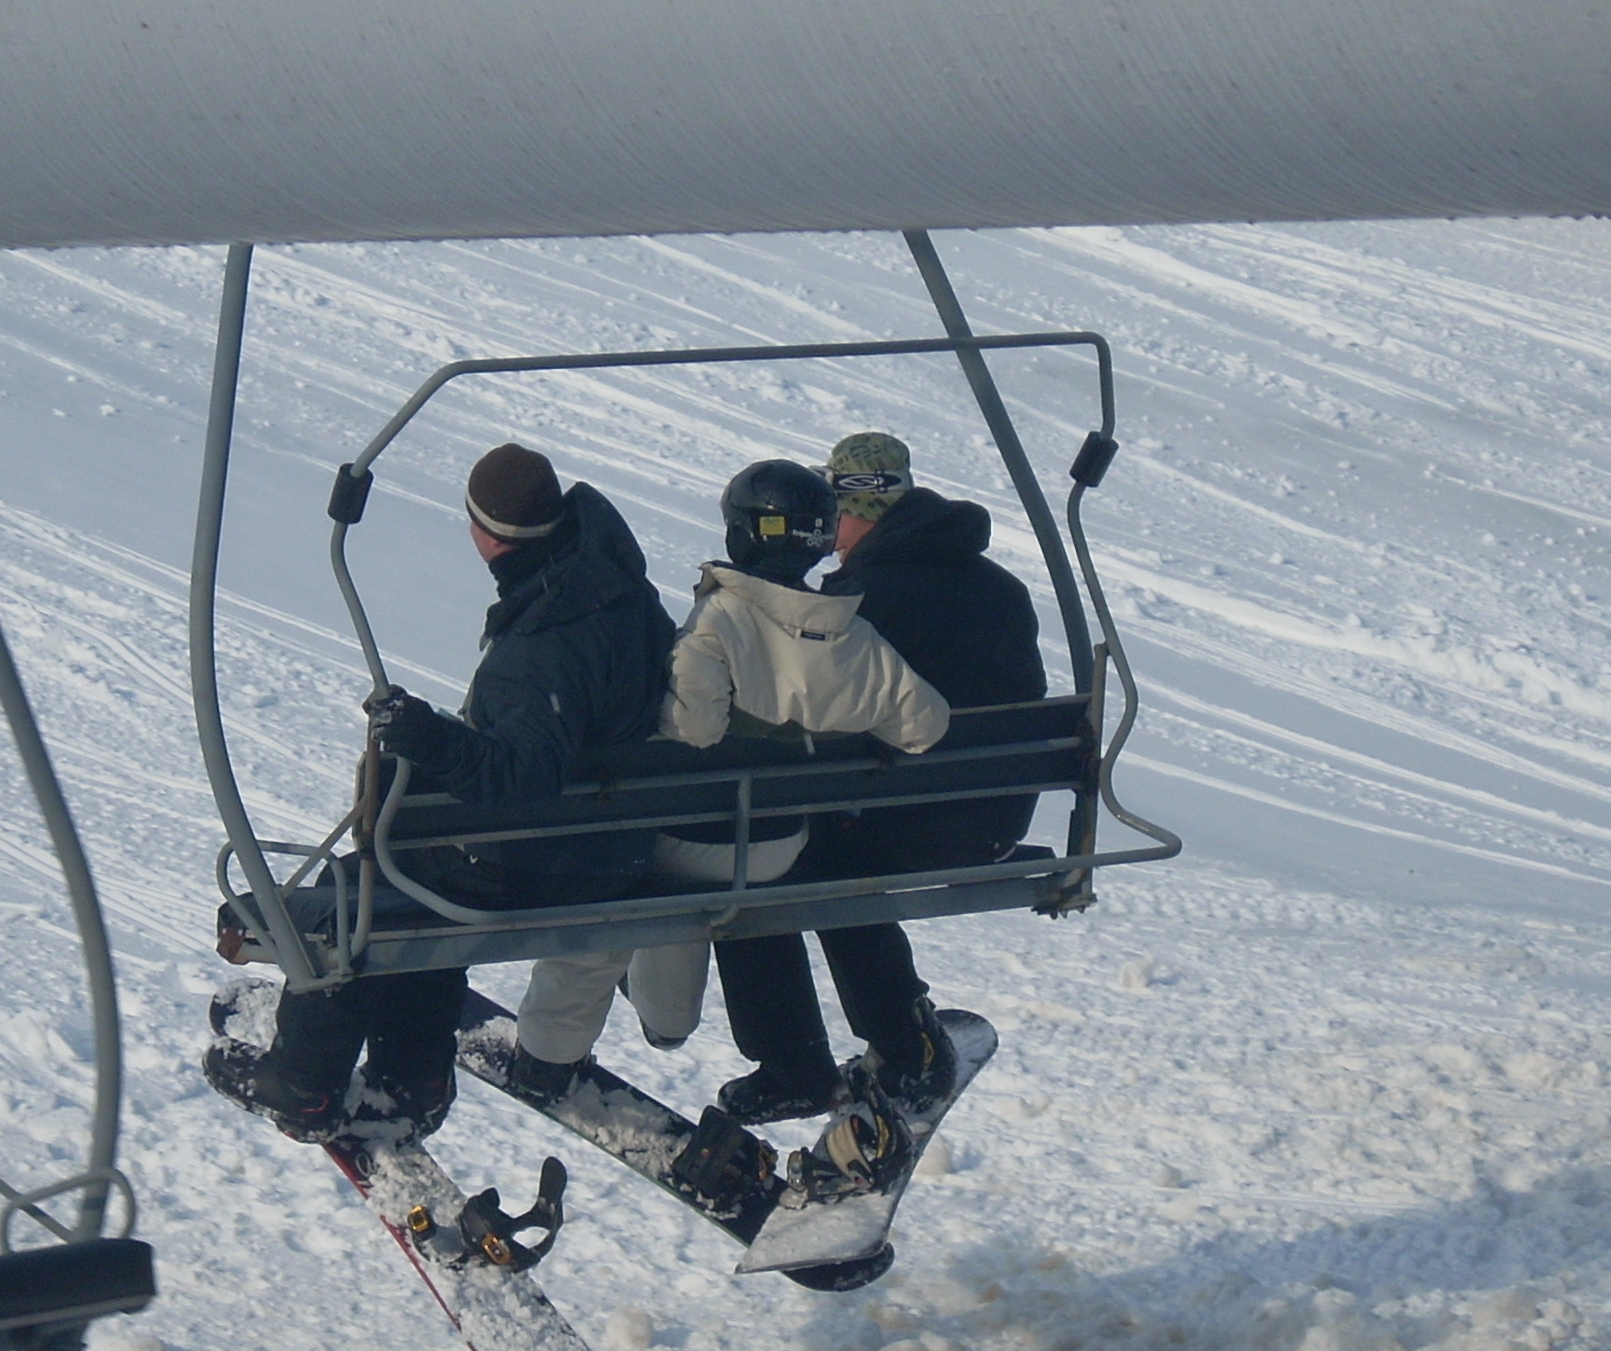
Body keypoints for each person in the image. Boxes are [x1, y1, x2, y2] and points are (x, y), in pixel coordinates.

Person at [220, 442, 676, 1140]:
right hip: (615, 837)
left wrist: (427, 737)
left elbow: (521, 777)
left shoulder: (544, 645)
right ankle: (412, 1077)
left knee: (360, 897)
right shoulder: (620, 591)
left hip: (555, 864)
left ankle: (306, 1083)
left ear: (484, 533)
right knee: (418, 858)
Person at [506, 460, 950, 1101]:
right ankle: (666, 1017)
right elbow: (924, 726)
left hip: (701, 843)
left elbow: (691, 731)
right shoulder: (858, 638)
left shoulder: (722, 623)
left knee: (627, 874)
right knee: (716, 876)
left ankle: (611, 1036)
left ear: (745, 536)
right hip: (785, 843)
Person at [711, 431, 1047, 1123]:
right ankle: (900, 1034)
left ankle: (797, 1061)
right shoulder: (996, 586)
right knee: (832, 855)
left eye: (833, 511)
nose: (827, 532)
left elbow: (840, 728)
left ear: (860, 510)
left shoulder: (869, 596)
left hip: (919, 815)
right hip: (994, 810)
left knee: (762, 867)